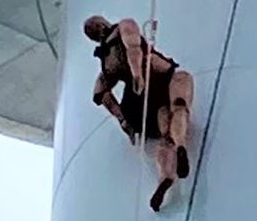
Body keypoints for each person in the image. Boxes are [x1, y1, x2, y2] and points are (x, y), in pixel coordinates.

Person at [82, 15, 195, 211]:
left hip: (148, 96)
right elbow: (133, 47)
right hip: (161, 77)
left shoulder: (107, 63)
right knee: (179, 103)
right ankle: (181, 146)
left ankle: (166, 175)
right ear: (103, 23)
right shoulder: (123, 27)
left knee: (165, 134)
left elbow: (99, 93)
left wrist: (122, 119)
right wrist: (137, 76)